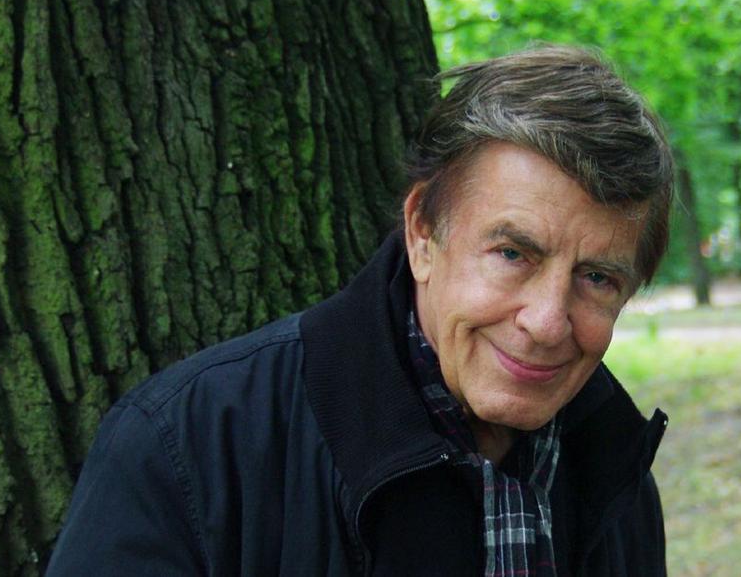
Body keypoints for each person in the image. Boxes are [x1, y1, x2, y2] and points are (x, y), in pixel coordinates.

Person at [46, 45, 675, 575]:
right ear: (423, 233)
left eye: (597, 278)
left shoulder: (613, 470)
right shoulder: (187, 447)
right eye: (512, 254)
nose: (547, 322)